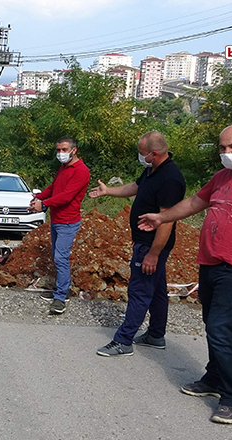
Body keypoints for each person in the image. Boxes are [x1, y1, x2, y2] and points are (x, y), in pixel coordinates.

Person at [138, 123, 232, 424]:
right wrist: (161, 217)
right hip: (211, 263)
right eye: (222, 148)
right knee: (213, 324)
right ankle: (213, 379)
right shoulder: (222, 177)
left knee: (223, 330)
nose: (227, 153)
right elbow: (196, 203)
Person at [89, 131, 186, 357]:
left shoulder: (170, 178)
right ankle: (155, 335)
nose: (139, 157)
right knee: (158, 290)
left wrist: (153, 253)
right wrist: (108, 191)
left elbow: (166, 221)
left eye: (142, 153)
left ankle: (123, 340)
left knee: (140, 290)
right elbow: (134, 187)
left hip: (151, 244)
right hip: (146, 242)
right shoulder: (153, 170)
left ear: (153, 153)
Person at [28, 137, 90, 315]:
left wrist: (44, 205)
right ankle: (60, 290)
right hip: (57, 220)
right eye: (58, 150)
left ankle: (61, 297)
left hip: (68, 222)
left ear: (74, 150)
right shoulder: (64, 167)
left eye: (64, 150)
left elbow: (66, 196)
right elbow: (54, 188)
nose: (60, 154)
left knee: (61, 258)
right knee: (57, 257)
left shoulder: (81, 171)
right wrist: (38, 198)